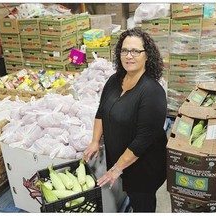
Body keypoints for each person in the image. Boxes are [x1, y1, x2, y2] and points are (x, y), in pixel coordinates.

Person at [84, 28, 167, 212]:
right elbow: (101, 111)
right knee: (132, 195)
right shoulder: (114, 80)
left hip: (144, 168)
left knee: (142, 202)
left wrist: (117, 169)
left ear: (147, 56)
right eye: (124, 50)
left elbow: (143, 140)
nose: (129, 56)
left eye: (136, 51)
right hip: (123, 162)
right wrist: (95, 141)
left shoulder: (152, 92)